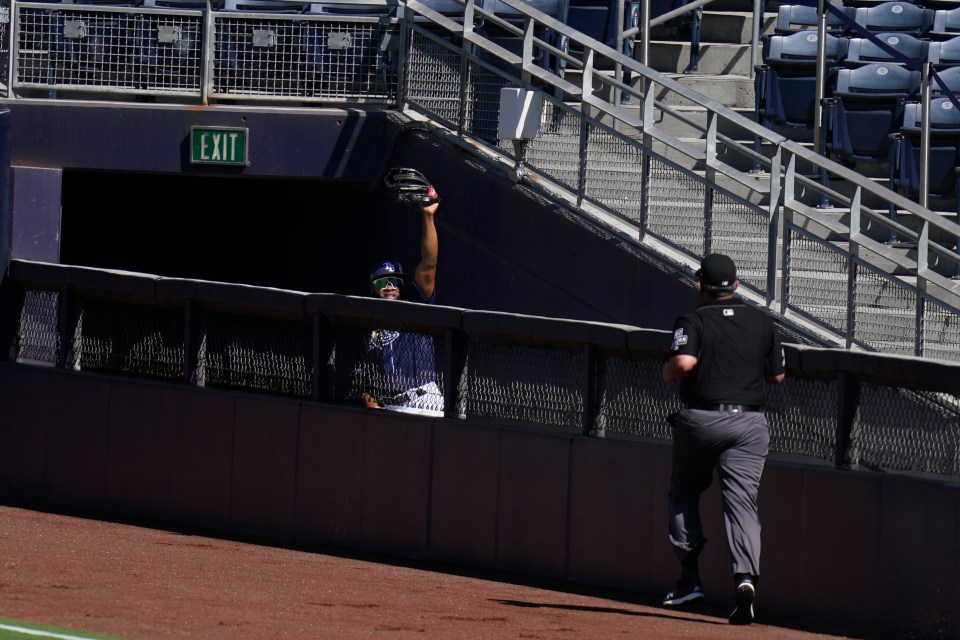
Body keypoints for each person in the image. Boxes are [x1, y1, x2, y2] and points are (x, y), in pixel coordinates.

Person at [660, 253, 786, 626]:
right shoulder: (762, 322)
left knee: (683, 493)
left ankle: (689, 578)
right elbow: (777, 376)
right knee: (742, 506)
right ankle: (745, 580)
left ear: (700, 286)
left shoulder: (692, 319)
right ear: (736, 285)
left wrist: (667, 371)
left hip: (701, 420)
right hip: (748, 423)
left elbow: (683, 364)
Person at [355, 195, 443, 416]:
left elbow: (429, 263)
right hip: (389, 405)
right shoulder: (366, 323)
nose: (390, 286)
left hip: (423, 401)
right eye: (383, 282)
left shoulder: (414, 305)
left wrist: (428, 216)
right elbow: (362, 371)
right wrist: (367, 398)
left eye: (395, 281)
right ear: (373, 288)